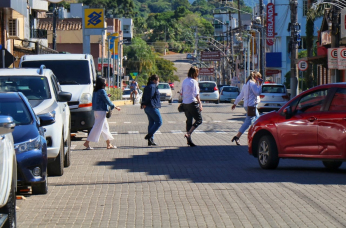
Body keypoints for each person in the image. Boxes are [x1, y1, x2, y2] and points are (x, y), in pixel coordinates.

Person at [83, 77, 121, 150]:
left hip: (96, 111)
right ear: (102, 83)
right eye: (105, 82)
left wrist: (106, 96)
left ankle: (108, 144)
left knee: (105, 127)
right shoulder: (102, 91)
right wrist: (115, 107)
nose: (106, 83)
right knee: (96, 127)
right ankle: (87, 142)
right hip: (101, 111)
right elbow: (107, 101)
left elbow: (102, 98)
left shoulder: (96, 91)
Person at [231, 71, 263, 145]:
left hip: (247, 105)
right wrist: (260, 85)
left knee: (249, 121)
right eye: (259, 77)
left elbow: (241, 95)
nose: (260, 79)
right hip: (251, 106)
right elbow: (258, 93)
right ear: (256, 77)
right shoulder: (253, 84)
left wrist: (235, 103)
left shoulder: (246, 84)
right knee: (257, 120)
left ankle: (237, 137)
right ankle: (254, 136)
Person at [181, 66, 203, 147]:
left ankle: (189, 141)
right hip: (192, 102)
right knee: (199, 120)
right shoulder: (194, 82)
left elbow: (181, 92)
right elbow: (196, 94)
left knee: (189, 121)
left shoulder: (184, 81)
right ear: (195, 73)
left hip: (185, 103)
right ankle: (188, 133)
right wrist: (200, 103)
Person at [141, 75, 162, 146]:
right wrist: (145, 103)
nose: (158, 82)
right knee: (159, 122)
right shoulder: (153, 86)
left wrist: (143, 104)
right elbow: (150, 96)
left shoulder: (147, 86)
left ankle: (150, 140)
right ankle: (149, 135)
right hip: (152, 106)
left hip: (147, 107)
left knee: (151, 123)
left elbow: (144, 96)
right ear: (154, 80)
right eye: (158, 80)